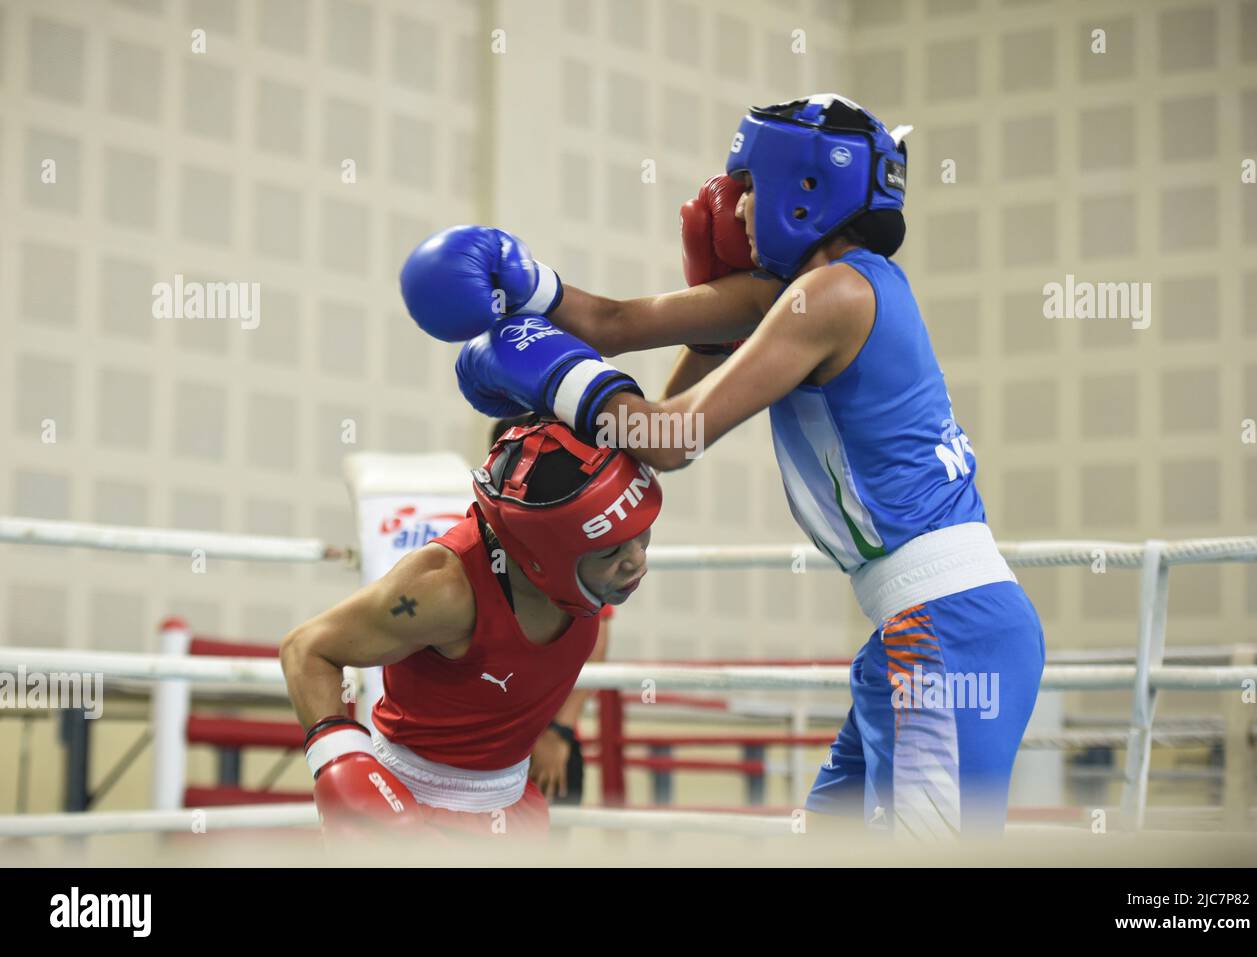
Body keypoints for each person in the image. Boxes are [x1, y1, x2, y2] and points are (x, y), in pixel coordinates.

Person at [429, 94, 1046, 837]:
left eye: (750, 184)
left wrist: (553, 374)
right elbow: (613, 324)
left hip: (950, 626)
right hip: (913, 628)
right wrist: (523, 285)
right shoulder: (802, 294)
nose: (737, 205)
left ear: (802, 186)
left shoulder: (835, 294)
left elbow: (672, 436)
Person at [280, 419, 660, 837]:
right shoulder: (445, 588)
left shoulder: (587, 577)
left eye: (642, 537)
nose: (637, 561)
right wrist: (339, 759)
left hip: (514, 804)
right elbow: (307, 648)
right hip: (411, 809)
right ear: (544, 551)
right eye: (611, 549)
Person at [490, 414, 613, 806]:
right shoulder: (473, 545)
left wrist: (558, 731)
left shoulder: (576, 547)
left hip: (546, 731)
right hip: (484, 737)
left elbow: (595, 647)